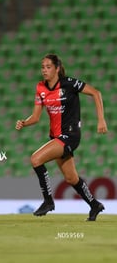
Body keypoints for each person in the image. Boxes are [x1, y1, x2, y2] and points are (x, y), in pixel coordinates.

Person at [15, 54, 107, 221]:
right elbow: (36, 117)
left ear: (57, 69)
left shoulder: (69, 84)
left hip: (70, 135)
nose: (44, 70)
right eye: (42, 67)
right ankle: (94, 204)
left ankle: (48, 201)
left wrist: (101, 119)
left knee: (36, 159)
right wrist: (24, 122)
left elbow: (95, 93)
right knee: (71, 178)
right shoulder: (40, 88)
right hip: (56, 137)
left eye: (48, 67)